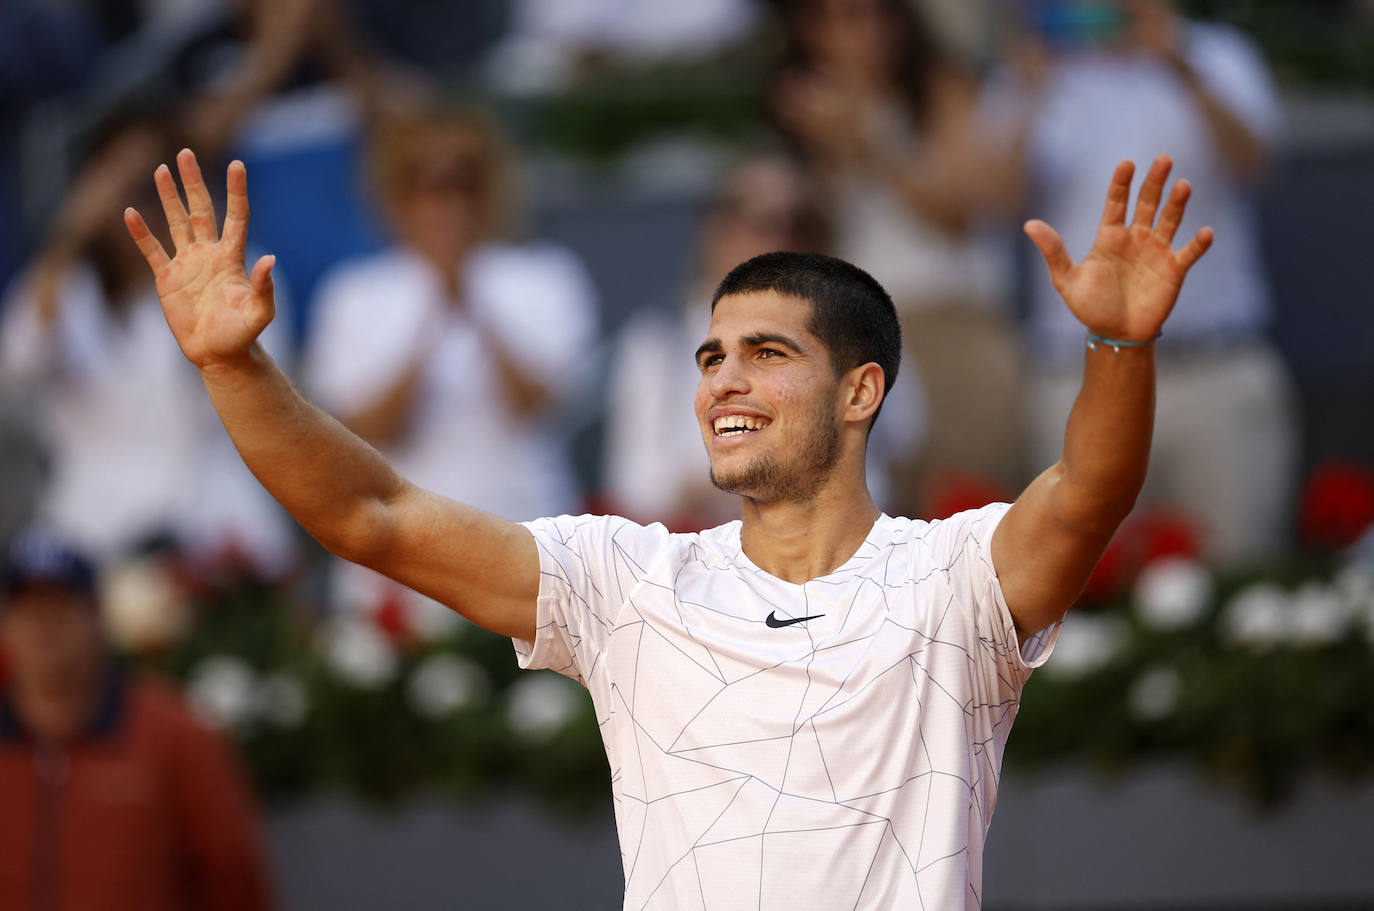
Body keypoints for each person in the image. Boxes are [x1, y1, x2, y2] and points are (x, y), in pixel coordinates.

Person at [124, 148, 1211, 906]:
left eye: (766, 353)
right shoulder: (626, 578)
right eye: (710, 355)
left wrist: (1118, 349)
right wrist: (232, 363)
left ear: (861, 390)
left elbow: (1085, 496)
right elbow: (375, 516)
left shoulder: (952, 576)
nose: (721, 381)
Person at [1001, 0, 1297, 563]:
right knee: (1083, 590)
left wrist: (1178, 60)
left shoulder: (1216, 54)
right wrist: (1027, 88)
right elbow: (988, 203)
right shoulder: (1034, 72)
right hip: (1080, 374)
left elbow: (1255, 161)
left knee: (1242, 575)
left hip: (1215, 365)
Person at [300, 103, 597, 627]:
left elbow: (539, 407)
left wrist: (474, 301)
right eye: (424, 183)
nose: (445, 203)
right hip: (403, 551)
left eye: (463, 182)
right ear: (397, 195)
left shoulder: (545, 277)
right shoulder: (355, 295)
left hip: (528, 535)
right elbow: (373, 428)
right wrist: (433, 312)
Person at [0, 112, 297, 574]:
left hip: (218, 525)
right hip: (91, 532)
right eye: (130, 188)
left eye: (160, 186)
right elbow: (19, 363)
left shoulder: (241, 271)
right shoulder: (65, 289)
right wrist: (72, 230)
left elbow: (267, 394)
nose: (148, 206)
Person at [771, 0, 1027, 514]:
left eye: (861, 16)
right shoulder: (800, 99)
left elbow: (955, 214)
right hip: (852, 326)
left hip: (949, 317)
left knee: (975, 497)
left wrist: (870, 140)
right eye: (828, 19)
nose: (848, 35)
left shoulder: (940, 88)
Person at [602, 152, 923, 529]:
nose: (783, 241)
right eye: (764, 222)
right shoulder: (659, 341)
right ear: (719, 229)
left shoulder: (862, 333)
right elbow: (636, 485)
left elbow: (898, 452)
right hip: (703, 560)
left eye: (802, 224)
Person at [0, 529, 273, 911]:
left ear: (97, 617)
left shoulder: (174, 736)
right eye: (28, 606)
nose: (44, 625)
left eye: (61, 606)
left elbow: (234, 878)